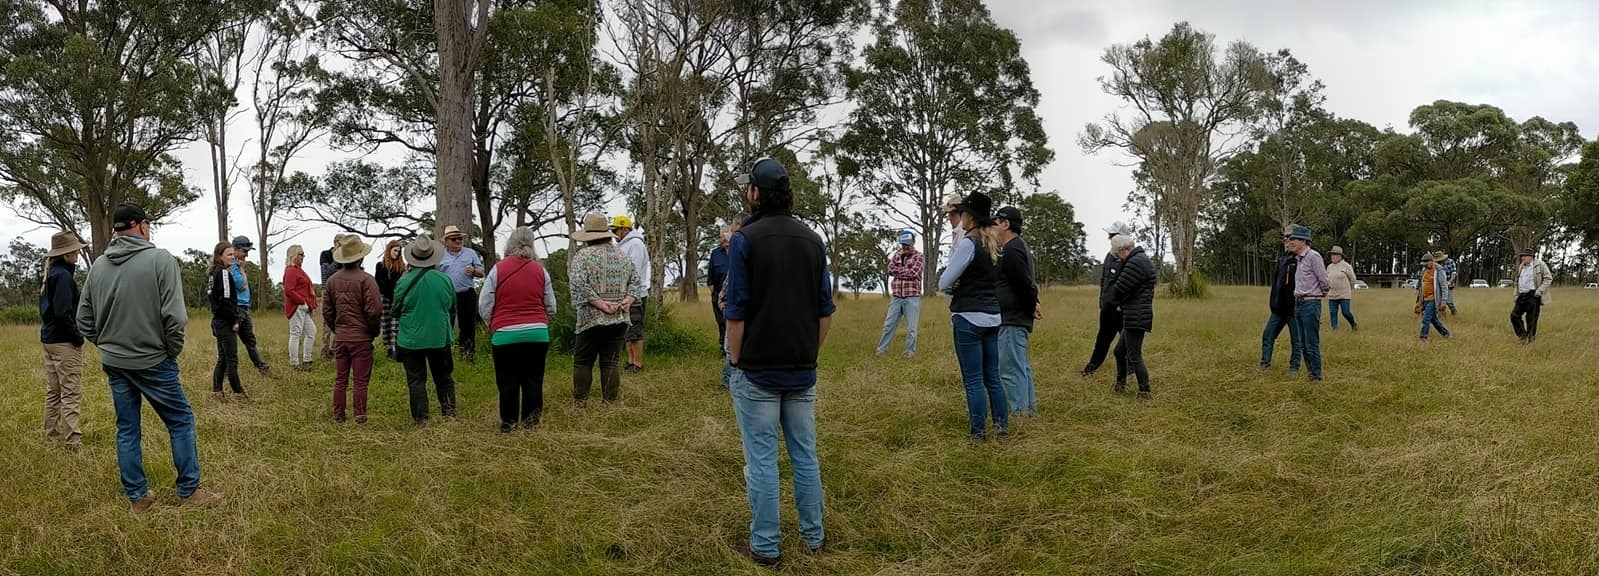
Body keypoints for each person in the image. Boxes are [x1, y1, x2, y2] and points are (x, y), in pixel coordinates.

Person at [77, 203, 222, 512]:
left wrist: (105, 343)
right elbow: (175, 317)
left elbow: (84, 320)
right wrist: (170, 351)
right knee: (181, 420)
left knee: (127, 428)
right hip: (153, 361)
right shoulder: (161, 260)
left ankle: (137, 497)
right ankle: (190, 492)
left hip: (114, 362)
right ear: (141, 226)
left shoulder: (98, 267)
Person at [725, 157, 834, 566]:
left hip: (756, 371)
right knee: (805, 455)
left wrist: (736, 360)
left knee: (762, 461)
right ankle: (813, 538)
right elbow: (825, 311)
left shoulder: (744, 240)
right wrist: (810, 352)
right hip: (802, 369)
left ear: (756, 193)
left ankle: (766, 547)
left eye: (748, 187)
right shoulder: (812, 240)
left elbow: (736, 310)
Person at [938, 191, 1007, 442]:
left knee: (974, 379)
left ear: (971, 217)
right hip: (993, 317)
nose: (961, 216)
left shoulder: (969, 243)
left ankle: (978, 433)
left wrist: (954, 287)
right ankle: (1001, 427)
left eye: (964, 212)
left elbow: (944, 281)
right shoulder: (996, 244)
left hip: (968, 317)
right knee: (993, 377)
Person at [479, 227, 556, 432]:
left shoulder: (498, 269)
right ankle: (531, 422)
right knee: (533, 379)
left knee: (507, 381)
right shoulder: (541, 270)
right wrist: (542, 321)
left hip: (504, 334)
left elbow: (484, 303)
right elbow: (551, 305)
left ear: (510, 244)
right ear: (531, 244)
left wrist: (493, 324)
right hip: (537, 334)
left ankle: (509, 423)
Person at [569, 213, 645, 406]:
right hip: (618, 318)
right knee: (610, 361)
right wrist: (628, 300)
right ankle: (609, 403)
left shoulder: (583, 256)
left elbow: (577, 283)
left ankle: (580, 402)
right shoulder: (622, 255)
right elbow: (636, 281)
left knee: (583, 360)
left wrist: (599, 303)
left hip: (590, 318)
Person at [394, 237, 459, 425]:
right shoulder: (445, 280)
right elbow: (452, 308)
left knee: (416, 381)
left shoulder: (403, 283)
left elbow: (395, 310)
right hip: (439, 336)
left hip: (411, 338)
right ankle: (449, 414)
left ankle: (421, 420)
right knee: (444, 378)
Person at [323, 235, 383, 424]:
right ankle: (359, 415)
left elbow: (327, 311)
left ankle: (339, 416)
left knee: (341, 379)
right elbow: (374, 311)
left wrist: (337, 329)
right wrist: (372, 332)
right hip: (361, 338)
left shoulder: (332, 281)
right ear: (361, 257)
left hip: (341, 337)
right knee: (360, 381)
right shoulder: (367, 280)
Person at [39, 230, 87, 449]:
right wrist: (77, 338)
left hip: (48, 339)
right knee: (70, 392)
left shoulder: (52, 273)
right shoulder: (65, 276)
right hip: (63, 342)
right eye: (74, 249)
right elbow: (63, 313)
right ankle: (73, 441)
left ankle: (51, 437)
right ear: (67, 253)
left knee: (54, 391)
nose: (77, 252)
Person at [995, 207, 1040, 417]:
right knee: (1021, 367)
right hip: (1017, 317)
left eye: (996, 221)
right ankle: (1028, 411)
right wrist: (1034, 304)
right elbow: (1027, 283)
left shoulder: (1012, 249)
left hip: (1012, 318)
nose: (993, 226)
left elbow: (1024, 284)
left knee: (1011, 370)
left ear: (1006, 224)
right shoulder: (1019, 247)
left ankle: (1019, 413)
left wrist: (1032, 305)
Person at [1102, 234, 1156, 398]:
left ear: (1123, 249)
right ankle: (1120, 384)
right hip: (1134, 314)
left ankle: (1144, 391)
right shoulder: (1138, 259)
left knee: (1134, 355)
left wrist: (1110, 300)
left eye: (1118, 255)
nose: (1118, 258)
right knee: (1119, 352)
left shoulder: (1136, 262)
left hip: (1136, 315)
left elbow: (1119, 288)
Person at [1081, 221, 1132, 377]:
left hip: (1122, 311)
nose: (1110, 238)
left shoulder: (1130, 258)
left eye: (1113, 235)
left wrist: (1122, 305)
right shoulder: (1109, 256)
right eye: (1110, 236)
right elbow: (1104, 281)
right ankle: (1090, 369)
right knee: (1102, 340)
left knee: (1128, 344)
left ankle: (1131, 372)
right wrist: (1102, 303)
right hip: (1107, 309)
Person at [1285, 225, 1328, 382]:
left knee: (1311, 344)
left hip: (1310, 303)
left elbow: (1324, 280)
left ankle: (1316, 376)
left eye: (1294, 239)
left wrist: (1319, 294)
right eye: (1290, 239)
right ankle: (1311, 374)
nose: (1291, 242)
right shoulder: (1298, 259)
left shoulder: (1313, 256)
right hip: (1298, 304)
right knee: (1302, 344)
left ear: (1304, 241)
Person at [438, 225, 486, 361]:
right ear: (447, 241)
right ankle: (444, 356)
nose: (458, 241)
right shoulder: (440, 255)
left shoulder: (470, 253)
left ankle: (467, 356)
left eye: (460, 238)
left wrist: (474, 271)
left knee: (468, 326)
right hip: (447, 295)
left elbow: (481, 273)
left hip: (467, 293)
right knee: (446, 325)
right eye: (454, 239)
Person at [207, 241, 247, 403]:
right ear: (219, 256)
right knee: (231, 359)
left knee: (222, 358)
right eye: (229, 255)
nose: (233, 257)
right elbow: (225, 299)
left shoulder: (212, 273)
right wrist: (234, 320)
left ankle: (217, 392)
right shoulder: (223, 273)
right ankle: (239, 394)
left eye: (233, 254)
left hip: (217, 320)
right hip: (225, 322)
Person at [1257, 229, 1302, 372]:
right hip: (1278, 309)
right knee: (1268, 335)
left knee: (1297, 340)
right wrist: (1273, 303)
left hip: (1294, 309)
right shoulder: (1282, 259)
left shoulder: (1301, 260)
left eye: (1290, 238)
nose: (1287, 241)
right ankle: (1264, 364)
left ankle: (1294, 367)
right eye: (1285, 238)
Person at [611, 215, 651, 373]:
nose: (614, 233)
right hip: (624, 294)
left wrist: (629, 291)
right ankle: (630, 361)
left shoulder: (635, 244)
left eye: (616, 230)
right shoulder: (623, 245)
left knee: (634, 329)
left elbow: (632, 270)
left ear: (624, 229)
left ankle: (638, 363)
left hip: (635, 294)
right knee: (627, 330)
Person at [876, 230, 923, 358]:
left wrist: (897, 271)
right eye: (903, 244)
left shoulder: (919, 257)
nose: (905, 247)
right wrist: (902, 271)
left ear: (913, 242)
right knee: (888, 325)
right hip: (896, 296)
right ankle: (881, 352)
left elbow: (914, 273)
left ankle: (909, 354)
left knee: (911, 329)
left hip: (912, 297)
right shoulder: (897, 255)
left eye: (907, 244)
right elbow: (889, 269)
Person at [229, 236, 272, 376]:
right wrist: (241, 270)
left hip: (244, 308)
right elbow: (241, 286)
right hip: (237, 308)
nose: (246, 254)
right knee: (229, 343)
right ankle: (225, 373)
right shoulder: (233, 267)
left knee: (250, 341)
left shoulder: (239, 265)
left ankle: (262, 368)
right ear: (235, 250)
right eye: (244, 251)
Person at [283, 245, 319, 370]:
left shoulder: (298, 270)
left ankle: (307, 359)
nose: (303, 257)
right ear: (294, 255)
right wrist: (302, 301)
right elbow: (289, 290)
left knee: (311, 331)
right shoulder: (291, 270)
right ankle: (294, 363)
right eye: (301, 254)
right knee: (295, 333)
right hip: (297, 306)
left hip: (304, 307)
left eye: (303, 254)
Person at [1510, 248, 1553, 344]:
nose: (1522, 258)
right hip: (1522, 295)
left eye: (1524, 256)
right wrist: (1516, 294)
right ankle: (1523, 336)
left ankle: (1530, 340)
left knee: (1531, 320)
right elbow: (1517, 282)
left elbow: (1548, 278)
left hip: (1533, 295)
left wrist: (1539, 291)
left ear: (1531, 257)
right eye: (1522, 256)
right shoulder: (1521, 266)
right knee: (1514, 316)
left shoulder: (1540, 265)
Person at [375, 240, 406, 360]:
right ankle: (389, 349)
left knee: (396, 325)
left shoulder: (401, 267)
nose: (397, 253)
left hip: (397, 298)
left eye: (399, 251)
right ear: (389, 250)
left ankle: (396, 349)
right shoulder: (381, 265)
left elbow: (400, 283)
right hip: (384, 298)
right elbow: (379, 284)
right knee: (386, 324)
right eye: (395, 250)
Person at [319, 234, 346, 360]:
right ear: (335, 243)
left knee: (341, 320)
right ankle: (324, 351)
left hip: (341, 291)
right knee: (327, 322)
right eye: (340, 244)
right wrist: (336, 260)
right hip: (327, 290)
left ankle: (335, 349)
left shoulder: (344, 257)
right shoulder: (325, 255)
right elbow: (326, 273)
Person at [1415, 252, 1452, 341]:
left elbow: (1444, 287)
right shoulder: (1424, 270)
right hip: (1425, 299)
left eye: (1426, 264)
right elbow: (1422, 286)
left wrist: (1443, 301)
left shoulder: (1439, 270)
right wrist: (1419, 300)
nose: (1424, 266)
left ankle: (1423, 337)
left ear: (1431, 261)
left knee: (1426, 318)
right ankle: (1446, 334)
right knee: (1433, 319)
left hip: (1433, 299)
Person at [1326, 246, 1359, 331]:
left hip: (1344, 294)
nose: (1332, 257)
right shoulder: (1329, 267)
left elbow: (1353, 279)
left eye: (1334, 255)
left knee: (1346, 312)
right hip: (1332, 294)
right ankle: (1334, 329)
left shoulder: (1346, 266)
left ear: (1340, 256)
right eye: (1332, 255)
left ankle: (1353, 324)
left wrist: (1349, 289)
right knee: (1333, 313)